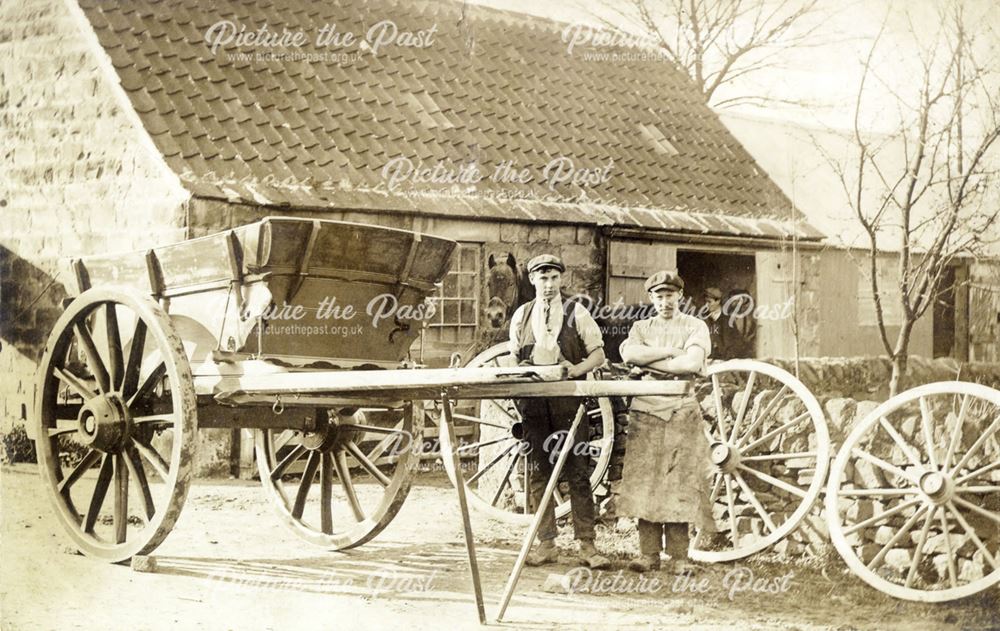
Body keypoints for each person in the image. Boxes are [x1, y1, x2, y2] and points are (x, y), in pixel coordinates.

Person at [508, 254, 611, 569]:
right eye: (542, 278)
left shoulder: (576, 312)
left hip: (569, 403)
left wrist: (576, 369)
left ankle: (587, 547)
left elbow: (599, 355)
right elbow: (514, 358)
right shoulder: (521, 316)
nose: (549, 285)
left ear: (560, 280)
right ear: (532, 281)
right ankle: (547, 544)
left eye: (554, 278)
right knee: (539, 474)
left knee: (577, 473)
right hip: (535, 404)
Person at [618, 270, 715, 573]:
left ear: (680, 297)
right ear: (651, 298)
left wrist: (651, 361)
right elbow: (628, 353)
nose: (665, 302)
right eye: (659, 296)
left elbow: (692, 363)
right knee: (644, 483)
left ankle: (679, 557)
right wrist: (670, 353)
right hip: (646, 411)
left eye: (670, 296)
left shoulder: (695, 326)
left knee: (679, 483)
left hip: (681, 410)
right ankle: (648, 554)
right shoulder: (641, 327)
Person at [722, 288, 756, 358]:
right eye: (732, 300)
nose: (733, 303)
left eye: (737, 300)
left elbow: (750, 338)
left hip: (743, 356)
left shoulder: (748, 320)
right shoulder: (724, 318)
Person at [703, 286, 725, 359]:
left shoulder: (727, 319)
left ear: (718, 301)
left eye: (709, 302)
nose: (706, 305)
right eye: (705, 302)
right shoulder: (704, 318)